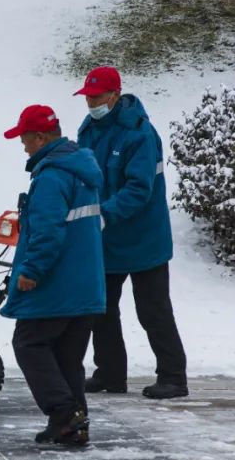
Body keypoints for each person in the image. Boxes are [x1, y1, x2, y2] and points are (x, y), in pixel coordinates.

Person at [74, 66, 189, 399]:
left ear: (114, 95)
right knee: (101, 309)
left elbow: (140, 189)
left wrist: (103, 215)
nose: (90, 103)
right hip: (106, 239)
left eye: (96, 96)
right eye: (87, 97)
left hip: (143, 240)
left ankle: (173, 377)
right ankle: (110, 374)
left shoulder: (140, 134)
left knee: (152, 309)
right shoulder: (90, 128)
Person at [0, 104, 106, 446]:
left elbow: (47, 232)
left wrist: (31, 270)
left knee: (28, 342)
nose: (23, 146)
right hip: (87, 284)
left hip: (59, 284)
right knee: (67, 357)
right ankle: (75, 425)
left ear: (41, 137)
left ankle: (63, 413)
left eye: (25, 139)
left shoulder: (51, 176)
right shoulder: (81, 169)